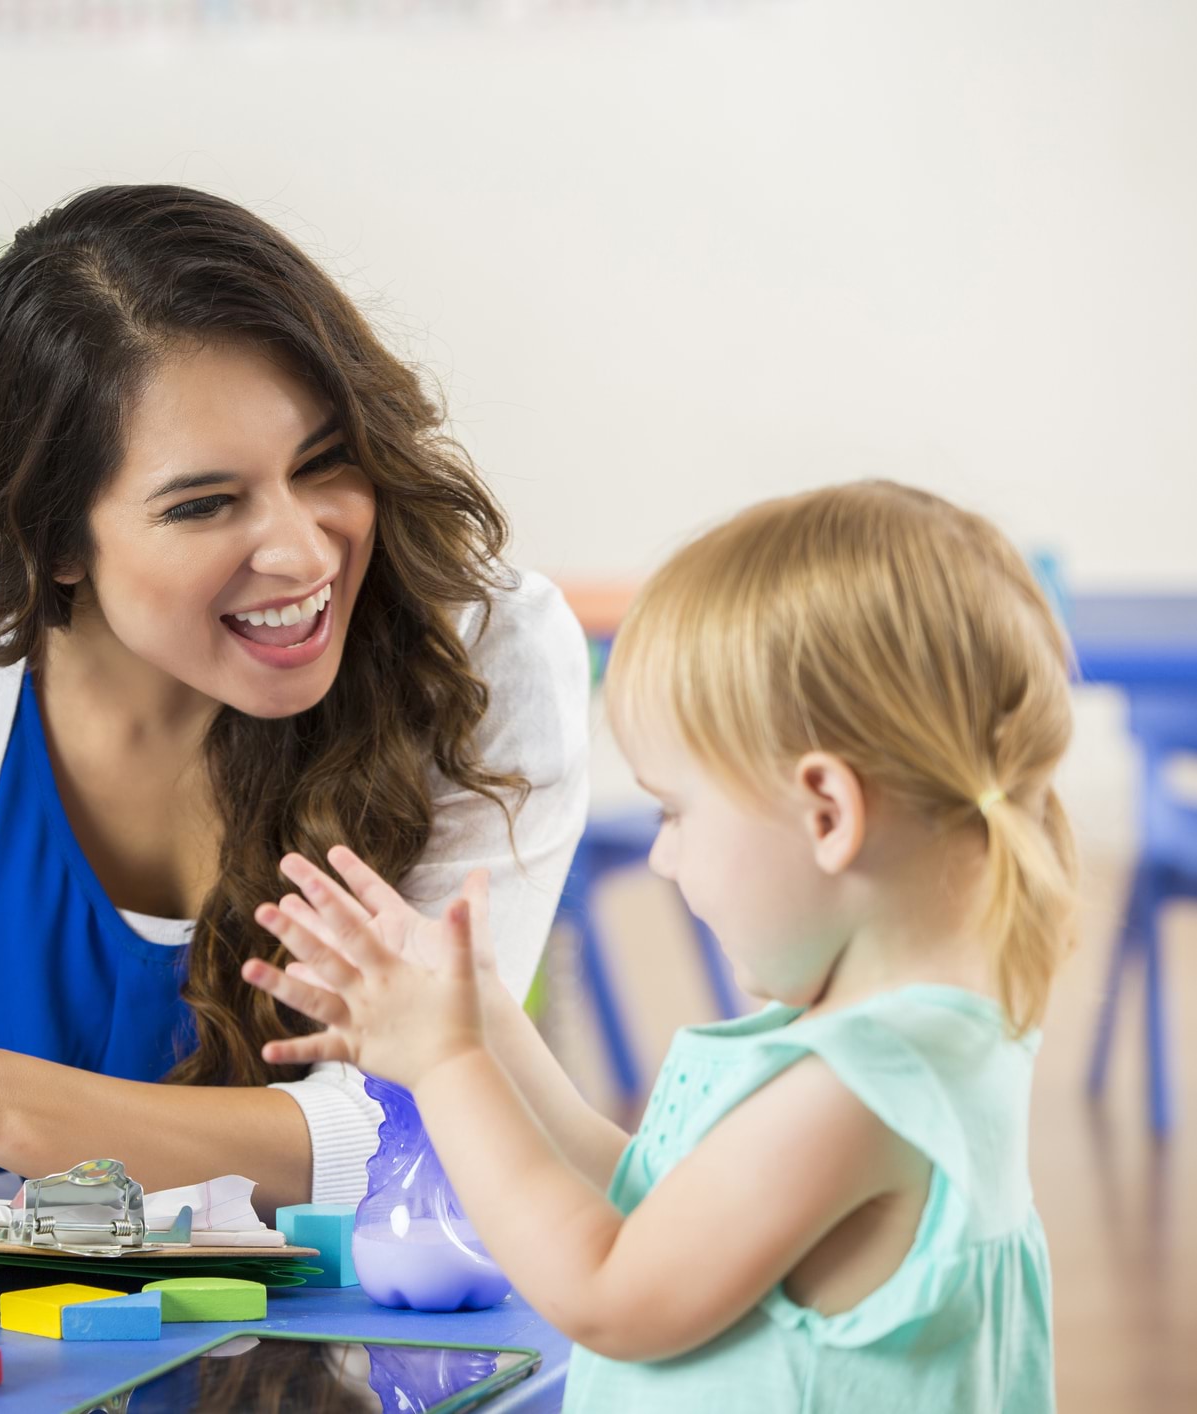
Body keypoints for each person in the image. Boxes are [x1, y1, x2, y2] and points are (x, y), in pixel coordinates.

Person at [0, 184, 590, 1211]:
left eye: (326, 463)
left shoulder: (476, 654)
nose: (303, 549)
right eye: (204, 504)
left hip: (335, 1357)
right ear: (51, 540)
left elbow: (428, 1135)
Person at [246, 480, 1069, 1407]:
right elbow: (640, 1200)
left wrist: (445, 1066)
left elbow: (608, 1288)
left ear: (827, 812)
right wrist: (487, 1024)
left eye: (676, 811)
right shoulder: (917, 1047)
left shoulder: (860, 1090)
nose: (665, 859)